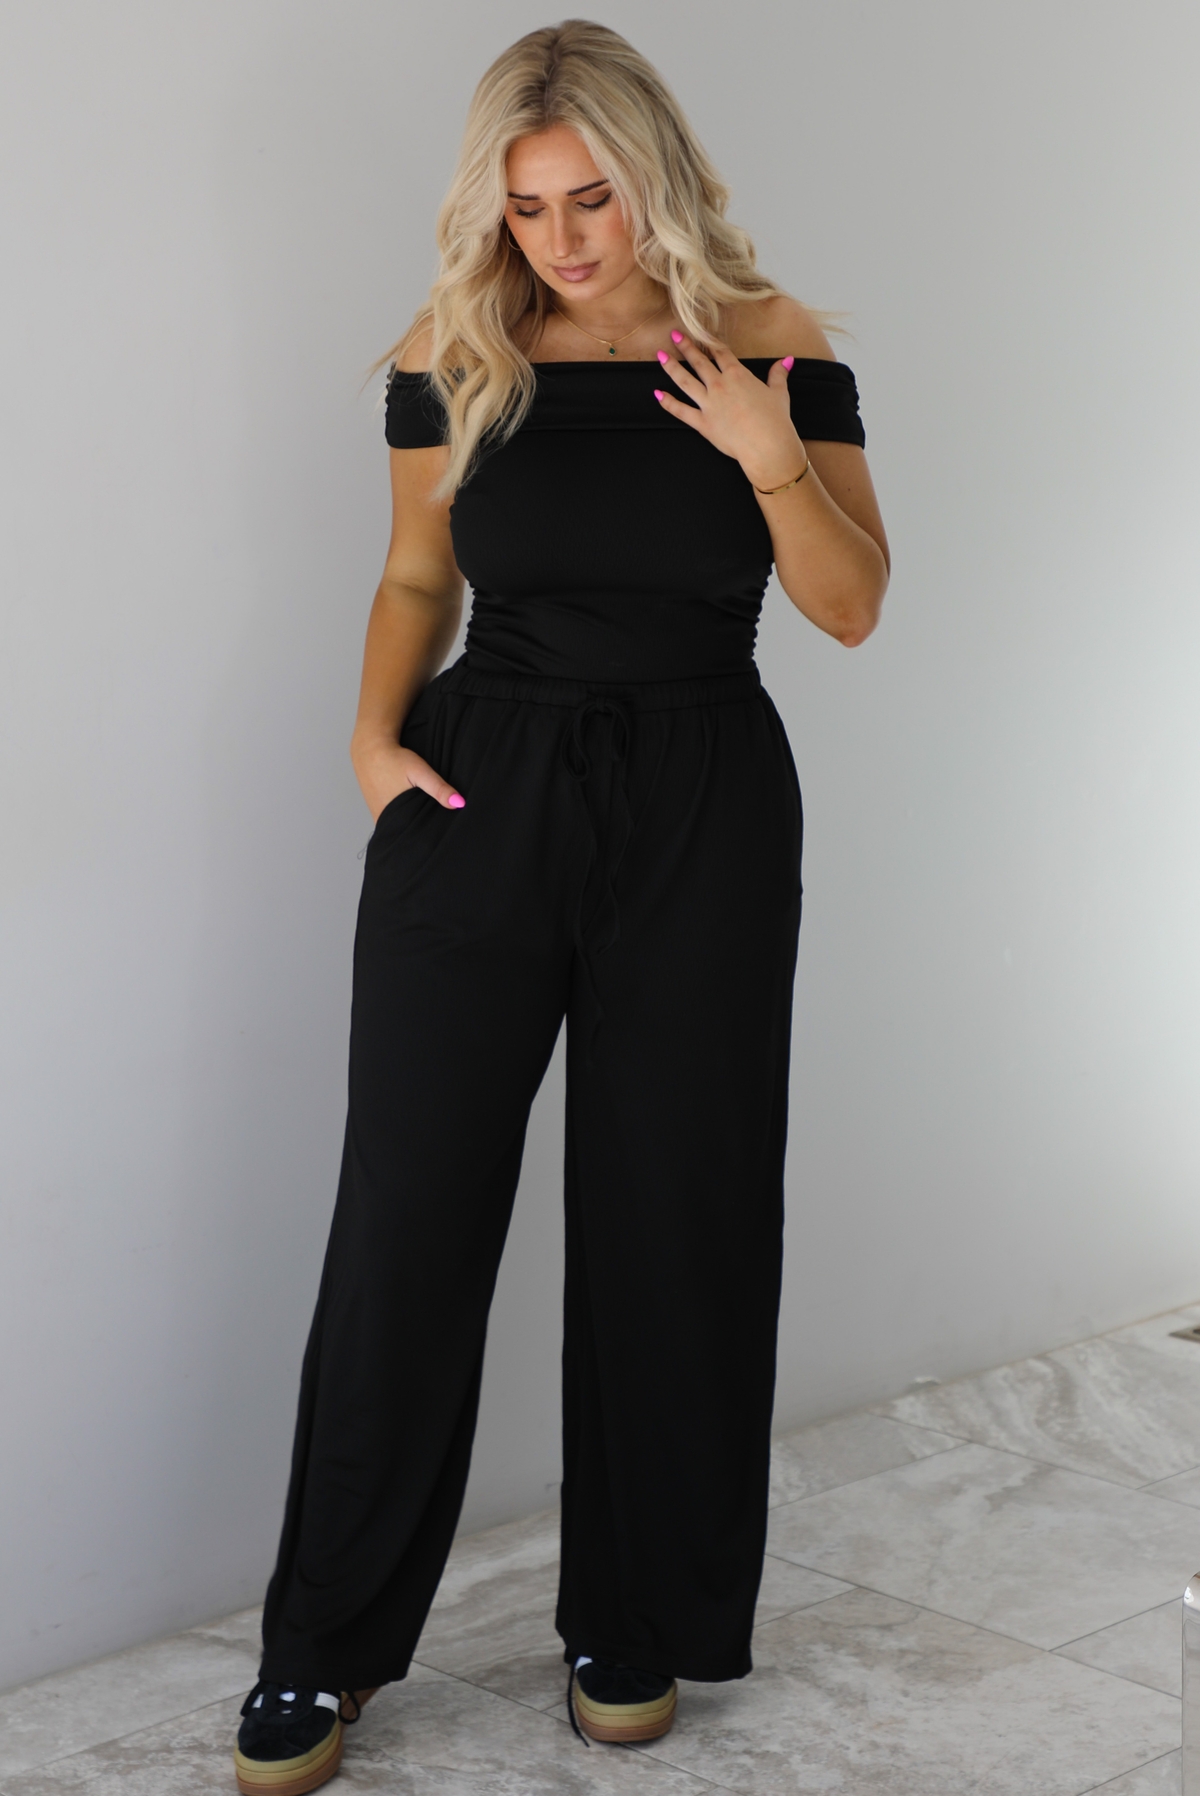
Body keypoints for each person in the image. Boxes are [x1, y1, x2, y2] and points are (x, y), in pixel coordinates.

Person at [232, 18, 889, 1793]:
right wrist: (371, 740)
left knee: (676, 1212)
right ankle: (325, 1648)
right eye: (529, 207)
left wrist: (767, 449)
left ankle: (637, 1616)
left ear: (654, 177)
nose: (566, 236)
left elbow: (851, 605)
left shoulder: (773, 347)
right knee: (406, 1220)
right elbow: (414, 568)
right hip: (484, 791)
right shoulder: (454, 354)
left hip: (704, 796)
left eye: (593, 196)